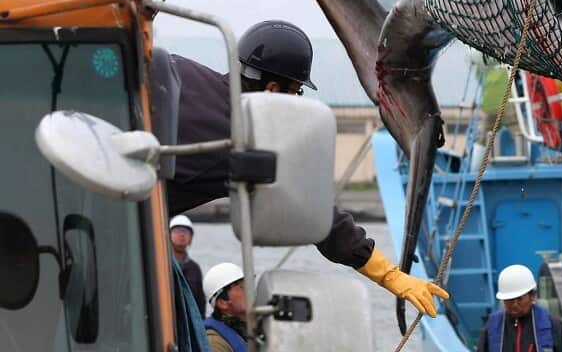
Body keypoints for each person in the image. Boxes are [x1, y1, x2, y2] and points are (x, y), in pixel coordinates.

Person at [160, 20, 447, 318]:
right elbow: (323, 219)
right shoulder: (249, 142)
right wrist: (391, 276)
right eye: (296, 93)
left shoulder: (178, 68)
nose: (297, 102)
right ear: (272, 89)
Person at [475, 264, 562, 352]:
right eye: (509, 299)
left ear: (532, 296)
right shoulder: (492, 325)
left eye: (519, 299)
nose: (514, 304)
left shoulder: (553, 325)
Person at [203, 263, 249, 352]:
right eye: (242, 286)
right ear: (222, 303)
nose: (250, 290)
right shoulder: (214, 343)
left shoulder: (256, 329)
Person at [170, 214, 205, 317]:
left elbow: (200, 301)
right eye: (177, 230)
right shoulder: (163, 266)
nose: (181, 235)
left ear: (191, 238)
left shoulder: (194, 268)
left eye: (185, 231)